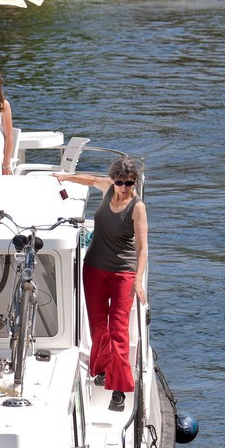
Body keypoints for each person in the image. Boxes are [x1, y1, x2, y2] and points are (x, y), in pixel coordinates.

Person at [57, 155, 147, 414]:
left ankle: (118, 390)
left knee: (118, 330)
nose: (123, 187)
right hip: (94, 269)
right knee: (98, 326)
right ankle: (101, 369)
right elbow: (89, 179)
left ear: (135, 182)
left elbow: (142, 248)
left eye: (129, 183)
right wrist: (64, 177)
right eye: (120, 182)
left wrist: (138, 280)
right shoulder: (108, 189)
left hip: (122, 274)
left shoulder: (137, 207)